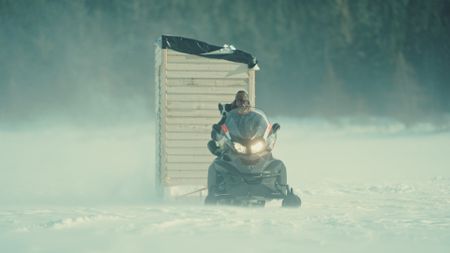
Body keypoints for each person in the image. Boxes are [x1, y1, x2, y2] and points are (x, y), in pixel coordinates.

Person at [207, 90, 251, 156]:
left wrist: (266, 132)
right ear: (236, 102)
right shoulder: (229, 114)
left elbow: (259, 124)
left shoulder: (252, 114)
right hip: (232, 141)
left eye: (244, 101)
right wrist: (217, 131)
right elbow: (222, 124)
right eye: (240, 101)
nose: (242, 104)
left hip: (249, 142)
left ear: (247, 102)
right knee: (218, 153)